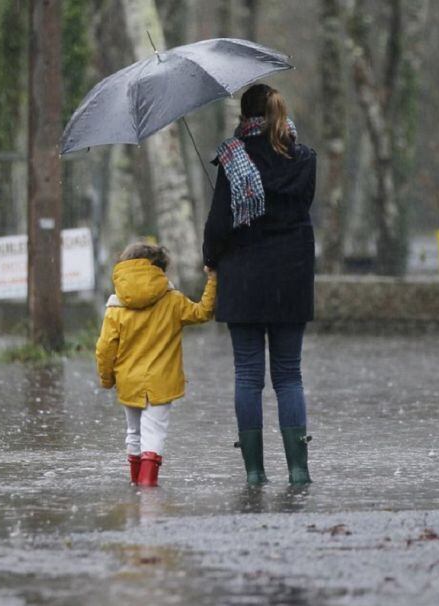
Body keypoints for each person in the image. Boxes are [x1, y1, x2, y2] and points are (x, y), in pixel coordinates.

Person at [202, 83, 317, 486]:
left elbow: (219, 226)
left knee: (248, 376)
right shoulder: (304, 159)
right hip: (292, 278)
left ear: (243, 115)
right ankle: (299, 469)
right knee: (289, 375)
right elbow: (299, 208)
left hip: (245, 281)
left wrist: (210, 258)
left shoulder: (233, 160)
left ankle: (254, 472)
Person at [95, 242, 217, 487]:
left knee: (134, 432)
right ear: (159, 269)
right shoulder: (172, 300)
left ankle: (135, 483)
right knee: (155, 433)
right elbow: (203, 312)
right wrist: (213, 279)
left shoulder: (115, 306)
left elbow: (105, 347)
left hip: (128, 381)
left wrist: (107, 379)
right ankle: (148, 486)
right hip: (161, 381)